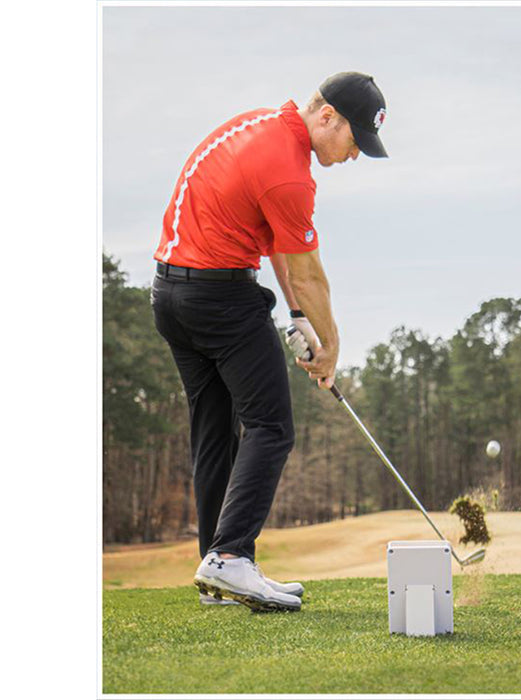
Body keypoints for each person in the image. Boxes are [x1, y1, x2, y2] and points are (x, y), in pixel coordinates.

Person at [151, 71, 388, 611]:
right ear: (327, 116)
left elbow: (281, 245)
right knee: (272, 427)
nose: (355, 154)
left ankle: (219, 572)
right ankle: (230, 557)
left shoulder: (256, 126)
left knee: (216, 432)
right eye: (355, 140)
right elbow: (308, 272)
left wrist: (299, 315)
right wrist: (331, 346)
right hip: (220, 298)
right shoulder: (290, 174)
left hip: (170, 296)